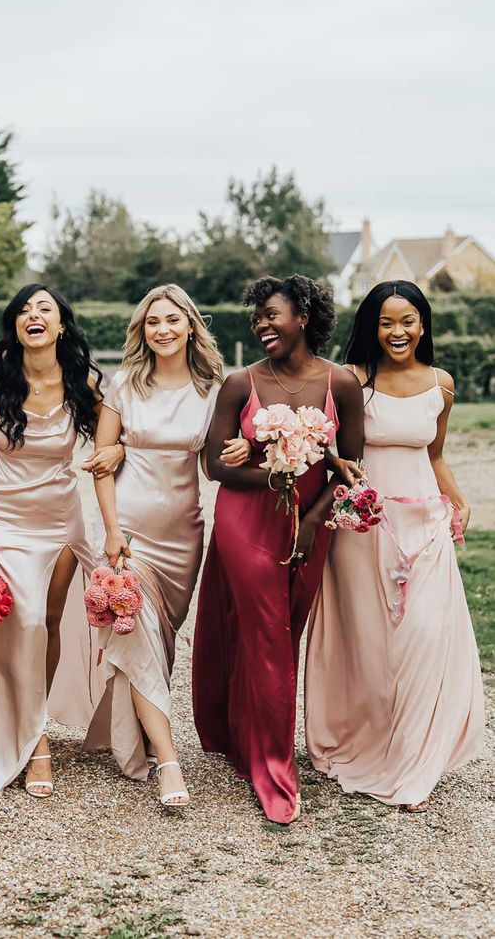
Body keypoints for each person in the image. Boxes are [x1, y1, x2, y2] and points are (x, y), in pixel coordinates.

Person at [305, 280, 484, 812]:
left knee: (425, 636)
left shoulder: (441, 385)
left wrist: (458, 499)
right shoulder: (353, 380)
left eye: (407, 321)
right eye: (386, 322)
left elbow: (434, 456)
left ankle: (414, 763)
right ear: (372, 326)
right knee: (370, 643)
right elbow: (329, 450)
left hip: (425, 525)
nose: (397, 331)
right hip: (364, 530)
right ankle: (369, 738)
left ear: (423, 324)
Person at [192, 274, 364, 824]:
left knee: (282, 632)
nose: (262, 324)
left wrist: (315, 522)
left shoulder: (342, 385)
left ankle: (245, 736)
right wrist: (273, 472)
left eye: (271, 314)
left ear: (304, 316)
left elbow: (352, 471)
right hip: (247, 522)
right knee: (268, 634)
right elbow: (214, 464)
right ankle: (273, 769)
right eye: (257, 318)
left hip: (309, 528)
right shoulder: (241, 384)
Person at [0, 285, 123, 797]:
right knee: (18, 619)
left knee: (46, 621)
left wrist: (118, 450)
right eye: (24, 310)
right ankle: (35, 741)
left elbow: (122, 431)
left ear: (61, 325)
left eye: (44, 308)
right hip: (4, 515)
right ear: (15, 327)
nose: (33, 315)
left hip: (60, 518)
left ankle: (32, 715)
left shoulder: (83, 382)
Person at [83, 284, 250, 808]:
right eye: (153, 321)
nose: (163, 329)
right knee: (136, 633)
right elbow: (101, 462)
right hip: (129, 529)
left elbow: (211, 466)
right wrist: (111, 532)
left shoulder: (213, 389)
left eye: (172, 320)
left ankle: (140, 738)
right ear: (142, 329)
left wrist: (245, 447)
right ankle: (169, 760)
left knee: (161, 638)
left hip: (184, 532)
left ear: (190, 326)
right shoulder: (124, 385)